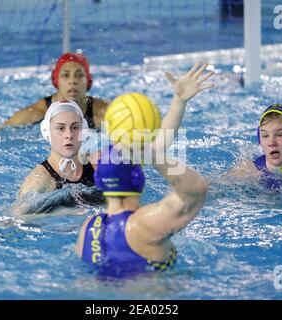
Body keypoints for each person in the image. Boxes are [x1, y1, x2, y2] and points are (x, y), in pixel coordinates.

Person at [75, 63, 215, 274]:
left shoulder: (88, 227)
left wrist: (179, 101)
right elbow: (195, 191)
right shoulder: (145, 225)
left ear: (100, 180)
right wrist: (150, 153)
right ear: (139, 178)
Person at [0, 52, 109, 135]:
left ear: (88, 80)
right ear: (56, 80)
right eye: (66, 75)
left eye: (79, 75)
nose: (72, 81)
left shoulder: (102, 111)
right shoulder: (37, 114)